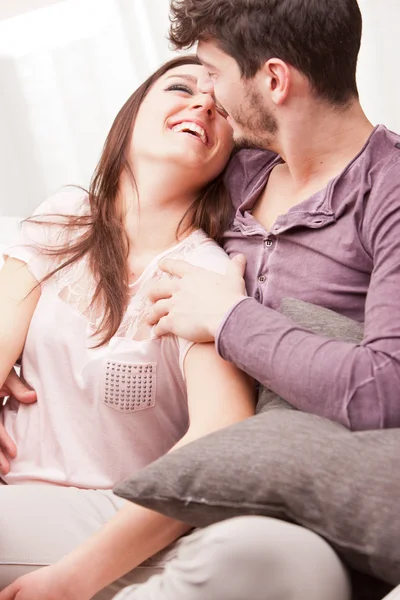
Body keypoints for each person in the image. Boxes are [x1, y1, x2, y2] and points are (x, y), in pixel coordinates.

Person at [105, 0, 400, 598]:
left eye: (213, 73)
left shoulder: (389, 194)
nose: (206, 96)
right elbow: (104, 217)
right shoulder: (235, 170)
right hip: (189, 467)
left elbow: (384, 390)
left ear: (273, 79)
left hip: (319, 502)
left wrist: (229, 318)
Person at [0, 54, 255, 599]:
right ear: (131, 113)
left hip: (122, 519)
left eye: (222, 106)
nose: (203, 103)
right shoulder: (64, 216)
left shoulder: (206, 273)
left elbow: (220, 436)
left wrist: (72, 580)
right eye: (180, 87)